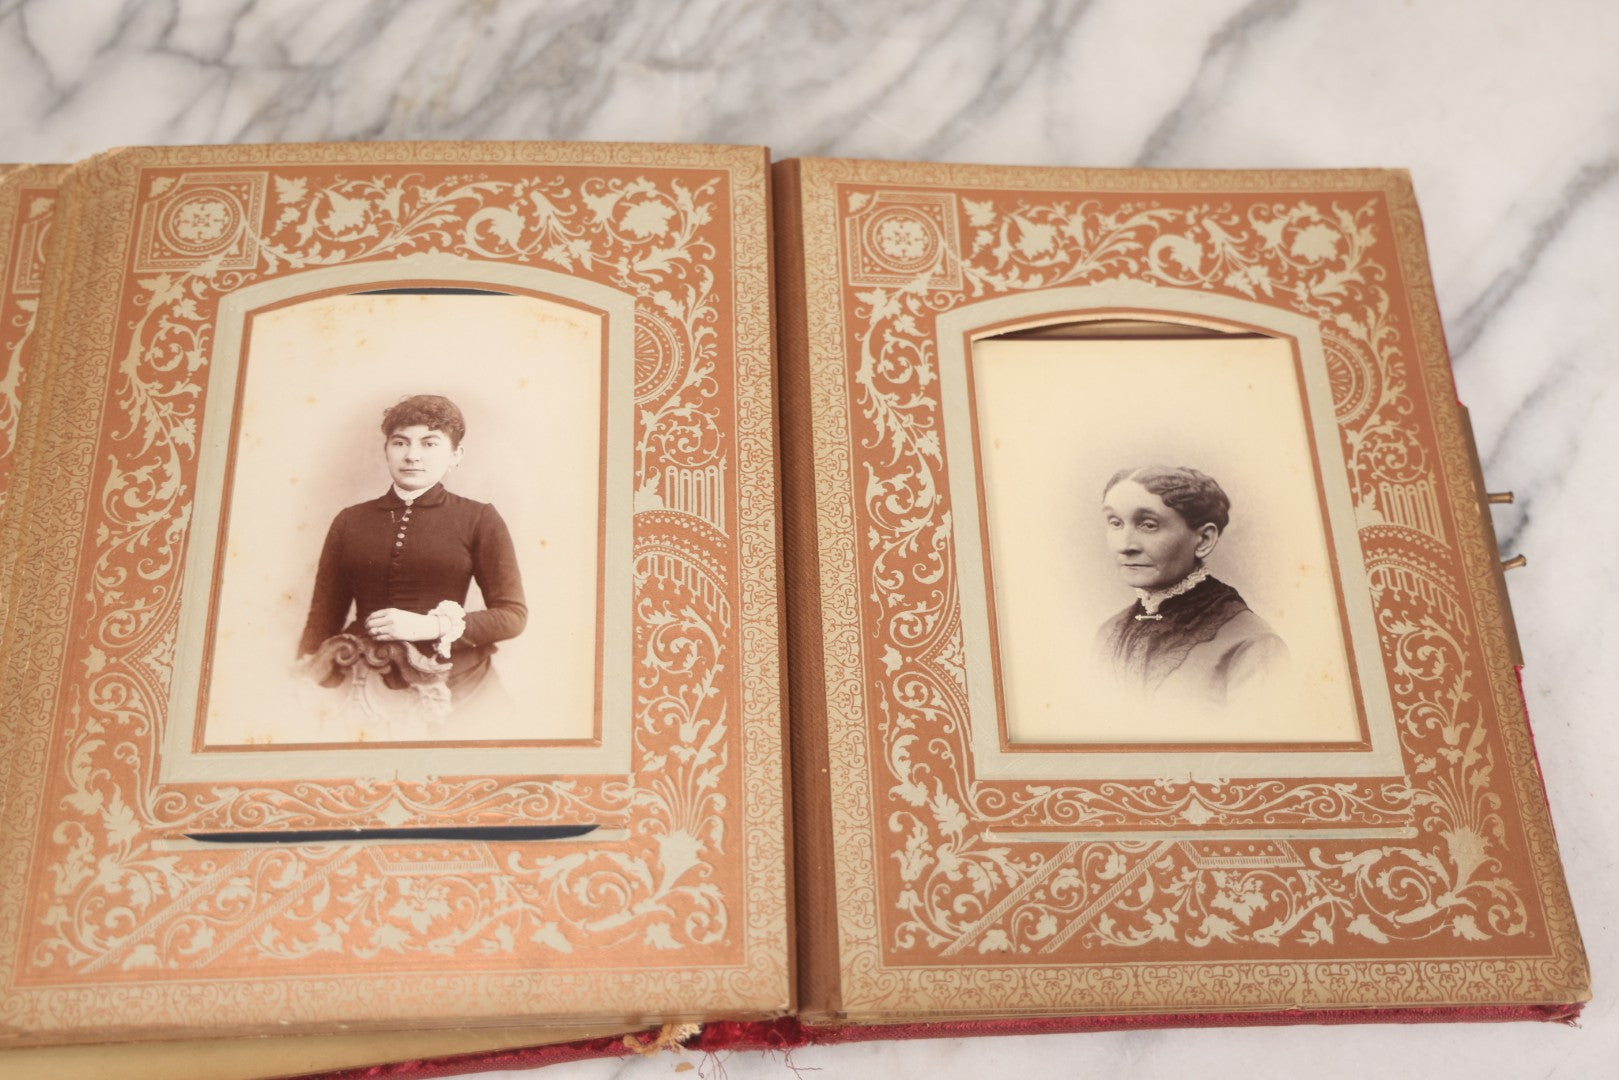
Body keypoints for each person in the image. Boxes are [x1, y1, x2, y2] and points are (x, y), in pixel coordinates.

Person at [297, 394, 527, 724]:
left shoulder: (479, 518)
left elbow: (513, 615)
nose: (412, 455)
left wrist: (430, 626)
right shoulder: (349, 521)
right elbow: (322, 621)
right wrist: (302, 681)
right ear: (386, 449)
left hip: (455, 683)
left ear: (455, 455)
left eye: (429, 443)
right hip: (360, 677)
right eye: (400, 442)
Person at [1094, 465, 1285, 710]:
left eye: (1148, 525)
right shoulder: (1108, 634)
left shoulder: (1253, 645)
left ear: (1204, 540)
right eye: (1115, 523)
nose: (1125, 545)